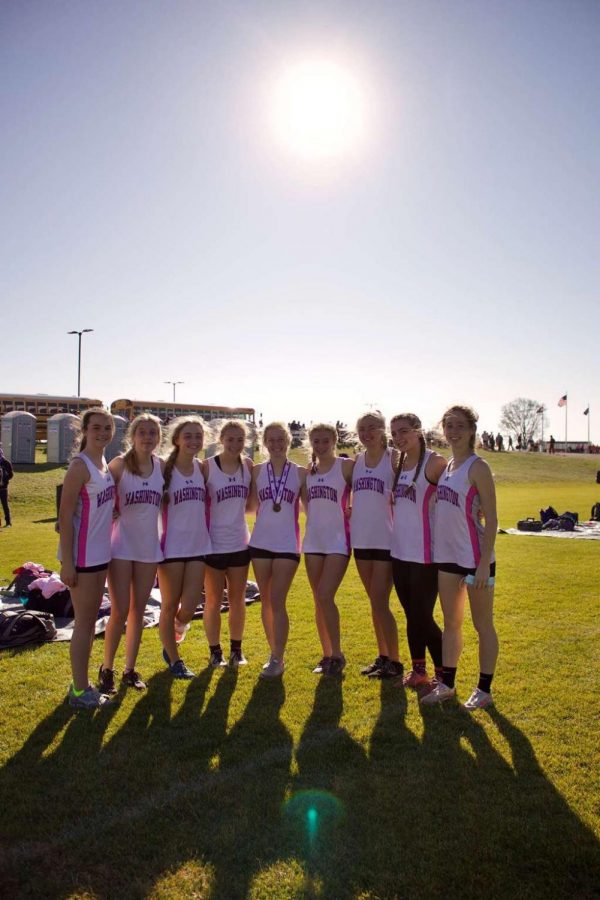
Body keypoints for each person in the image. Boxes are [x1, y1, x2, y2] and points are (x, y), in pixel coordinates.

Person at [422, 404, 499, 710]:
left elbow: (491, 519)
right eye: (449, 426)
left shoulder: (477, 467)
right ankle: (447, 684)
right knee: (451, 622)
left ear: (471, 431)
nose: (453, 432)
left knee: (483, 625)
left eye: (459, 426)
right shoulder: (449, 467)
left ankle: (484, 689)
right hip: (448, 556)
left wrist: (482, 565)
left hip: (475, 558)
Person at [98, 414, 164, 695]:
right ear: (132, 436)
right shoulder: (119, 465)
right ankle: (107, 669)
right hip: (122, 547)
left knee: (139, 611)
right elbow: (96, 495)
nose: (147, 437)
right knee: (120, 609)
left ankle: (129, 670)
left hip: (149, 549)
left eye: (153, 433)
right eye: (142, 433)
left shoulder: (162, 467)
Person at [58, 408, 116, 709]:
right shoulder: (80, 465)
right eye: (97, 428)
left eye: (108, 427)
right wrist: (67, 562)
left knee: (89, 621)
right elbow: (65, 516)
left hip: (98, 553)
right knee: (84, 623)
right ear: (85, 431)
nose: (104, 432)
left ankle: (80, 683)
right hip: (82, 557)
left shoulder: (103, 462)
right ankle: (80, 691)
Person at [389, 413, 447, 688]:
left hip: (426, 555)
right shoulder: (397, 461)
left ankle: (444, 674)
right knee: (412, 615)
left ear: (418, 431)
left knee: (423, 617)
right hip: (399, 553)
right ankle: (419, 671)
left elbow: (454, 496)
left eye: (404, 432)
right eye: (395, 434)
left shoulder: (435, 462)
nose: (399, 438)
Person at [248, 422, 304, 678]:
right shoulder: (256, 471)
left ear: (288, 441)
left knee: (277, 600)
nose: (276, 444)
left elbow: (315, 505)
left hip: (287, 545)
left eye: (280, 439)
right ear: (264, 442)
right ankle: (274, 653)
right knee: (266, 601)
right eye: (270, 440)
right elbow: (247, 504)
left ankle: (277, 658)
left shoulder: (301, 473)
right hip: (259, 543)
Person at [158, 416, 212, 679]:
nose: (194, 440)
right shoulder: (163, 469)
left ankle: (173, 634)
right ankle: (175, 660)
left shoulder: (202, 468)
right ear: (177, 439)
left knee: (190, 605)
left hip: (198, 545)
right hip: (171, 548)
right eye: (188, 435)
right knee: (169, 605)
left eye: (198, 436)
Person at [351, 412, 403, 679]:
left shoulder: (393, 458)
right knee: (374, 602)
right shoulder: (356, 461)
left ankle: (395, 661)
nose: (367, 433)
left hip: (385, 541)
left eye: (372, 428)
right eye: (362, 429)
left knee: (381, 602)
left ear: (383, 430)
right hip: (361, 540)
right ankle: (383, 657)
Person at [302, 422, 353, 676]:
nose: (321, 446)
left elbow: (369, 490)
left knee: (325, 596)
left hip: (338, 541)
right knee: (318, 601)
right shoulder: (307, 472)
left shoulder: (346, 466)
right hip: (313, 542)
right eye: (316, 441)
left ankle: (338, 654)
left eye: (325, 441)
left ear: (334, 441)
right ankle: (326, 656)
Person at [204, 419, 253, 668]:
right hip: (213, 545)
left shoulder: (248, 466)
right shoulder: (207, 467)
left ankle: (236, 650)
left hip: (240, 543)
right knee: (213, 600)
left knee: (238, 599)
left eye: (240, 439)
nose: (235, 444)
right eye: (230, 439)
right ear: (221, 440)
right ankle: (215, 652)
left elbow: (253, 505)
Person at [0, 444, 13, 528]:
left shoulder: (6, 463)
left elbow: (11, 474)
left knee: (5, 505)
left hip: (4, 488)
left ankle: (8, 522)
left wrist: (5, 479)